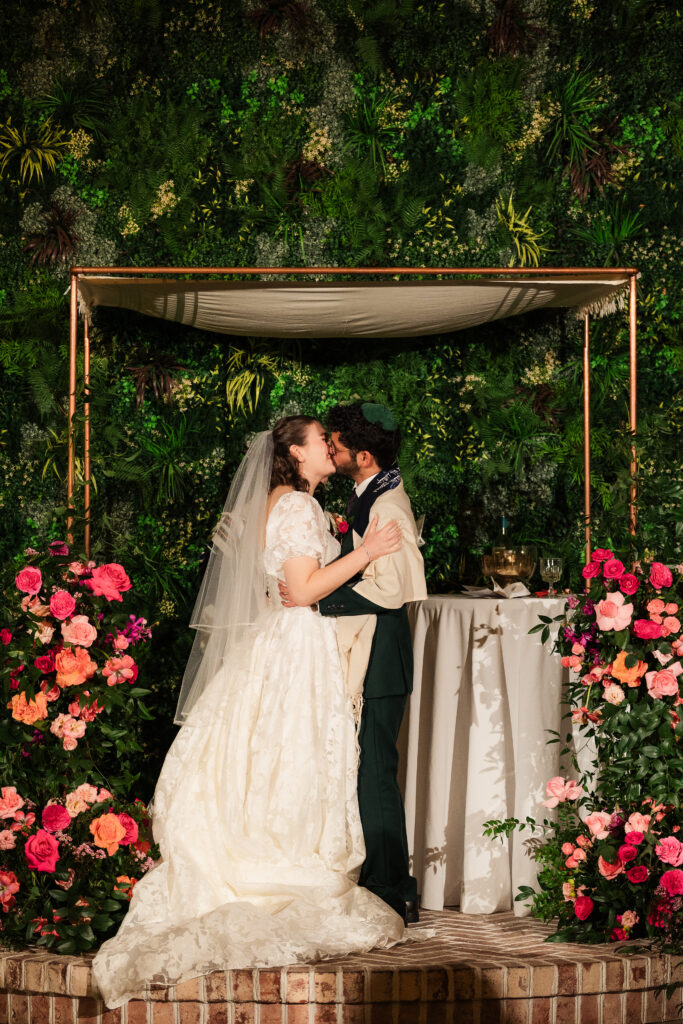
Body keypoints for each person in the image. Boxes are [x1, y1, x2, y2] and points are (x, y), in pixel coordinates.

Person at [92, 415, 408, 1009]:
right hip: (295, 646)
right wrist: (365, 551)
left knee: (272, 756)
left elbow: (290, 584)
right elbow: (304, 589)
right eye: (320, 441)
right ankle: (280, 859)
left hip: (282, 639)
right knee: (289, 757)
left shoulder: (281, 501)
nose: (329, 448)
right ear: (295, 450)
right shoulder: (295, 507)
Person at [282, 402, 427, 923]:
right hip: (368, 649)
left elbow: (395, 588)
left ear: (363, 456)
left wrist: (316, 599)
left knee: (375, 772)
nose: (332, 450)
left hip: (383, 655)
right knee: (366, 767)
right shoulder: (370, 493)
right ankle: (383, 878)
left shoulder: (387, 506)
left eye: (338, 446)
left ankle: (393, 889)